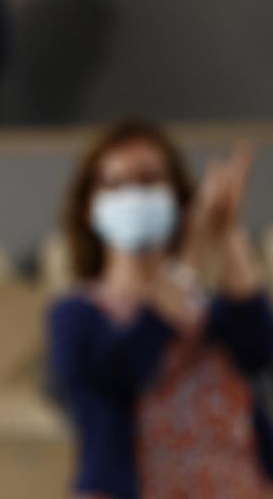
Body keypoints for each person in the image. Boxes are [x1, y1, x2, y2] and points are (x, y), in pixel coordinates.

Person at [48, 118, 273, 499]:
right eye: (116, 184)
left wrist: (225, 227)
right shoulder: (76, 315)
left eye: (150, 180)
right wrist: (194, 251)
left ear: (178, 198)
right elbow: (125, 367)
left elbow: (259, 345)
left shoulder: (209, 308)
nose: (134, 195)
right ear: (88, 206)